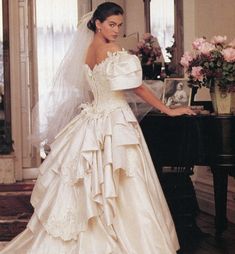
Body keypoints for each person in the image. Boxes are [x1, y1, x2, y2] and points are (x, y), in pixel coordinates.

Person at [0, 2, 195, 254]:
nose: (116, 30)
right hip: (115, 119)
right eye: (111, 24)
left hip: (93, 118)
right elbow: (137, 87)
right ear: (98, 23)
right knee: (121, 179)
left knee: (95, 180)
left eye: (119, 25)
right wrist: (168, 109)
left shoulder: (87, 51)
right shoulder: (112, 50)